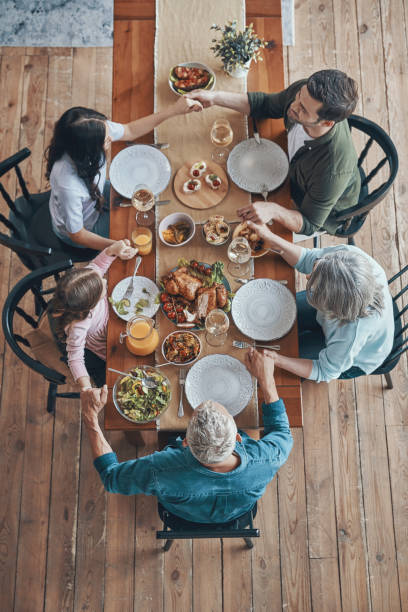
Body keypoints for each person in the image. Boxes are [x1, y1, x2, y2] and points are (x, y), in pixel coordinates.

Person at [81, 349, 293, 524]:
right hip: (238, 513)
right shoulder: (267, 458)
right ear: (238, 437)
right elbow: (282, 432)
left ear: (185, 442)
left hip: (181, 514)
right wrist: (266, 380)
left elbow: (111, 477)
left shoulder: (161, 469)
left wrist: (90, 417)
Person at [187, 69, 360, 237]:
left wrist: (274, 210)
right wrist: (215, 97)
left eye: (304, 110)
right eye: (299, 95)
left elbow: (310, 224)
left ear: (328, 124)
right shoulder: (306, 94)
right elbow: (266, 105)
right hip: (290, 168)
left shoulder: (332, 170)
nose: (293, 105)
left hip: (319, 208)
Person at [243, 221, 395, 382]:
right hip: (340, 311)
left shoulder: (351, 335)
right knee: (272, 312)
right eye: (316, 268)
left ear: (329, 305)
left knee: (278, 361)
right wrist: (271, 238)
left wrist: (278, 359)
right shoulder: (348, 256)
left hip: (357, 356)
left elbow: (324, 371)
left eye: (313, 283)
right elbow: (307, 258)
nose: (307, 276)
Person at [45, 97, 202, 250]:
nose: (111, 139)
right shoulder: (68, 186)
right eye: (106, 140)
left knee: (144, 200)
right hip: (85, 228)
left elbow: (130, 130)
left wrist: (173, 110)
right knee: (140, 233)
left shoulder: (90, 131)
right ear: (88, 150)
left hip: (95, 197)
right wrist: (115, 246)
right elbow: (78, 235)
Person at [48, 239, 137, 401]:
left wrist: (112, 250)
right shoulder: (78, 325)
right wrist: (86, 387)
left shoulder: (85, 281)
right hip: (108, 342)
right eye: (101, 287)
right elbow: (74, 357)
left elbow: (98, 266)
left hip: (117, 315)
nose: (104, 280)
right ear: (91, 305)